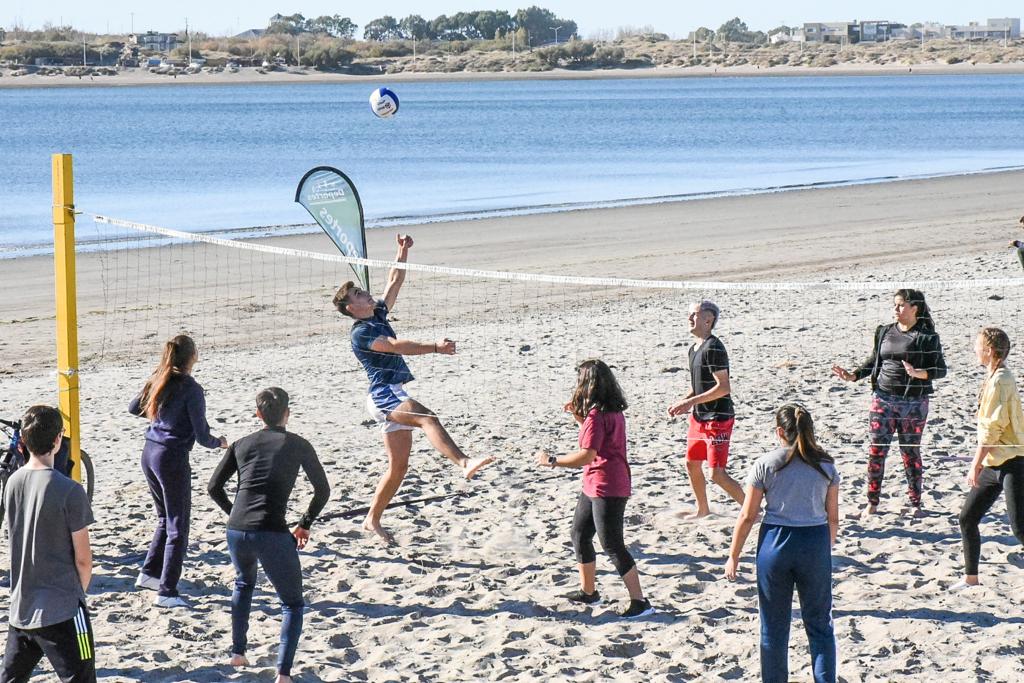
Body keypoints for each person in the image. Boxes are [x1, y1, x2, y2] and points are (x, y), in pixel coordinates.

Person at [332, 234, 492, 544]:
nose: (366, 294)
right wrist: (435, 347)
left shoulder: (376, 313)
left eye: (362, 291)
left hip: (391, 393)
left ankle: (371, 519)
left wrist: (401, 251)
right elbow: (394, 346)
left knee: (398, 468)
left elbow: (393, 282)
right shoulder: (361, 333)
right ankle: (464, 462)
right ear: (351, 308)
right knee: (427, 418)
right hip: (384, 394)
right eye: (359, 294)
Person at [208, 387, 330, 683]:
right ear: (287, 413)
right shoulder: (298, 444)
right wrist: (305, 523)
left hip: (236, 531)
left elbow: (214, 488)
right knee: (292, 604)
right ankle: (284, 674)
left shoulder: (240, 443)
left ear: (258, 414)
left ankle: (238, 653)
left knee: (243, 583)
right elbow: (322, 490)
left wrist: (236, 514)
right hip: (272, 532)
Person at [725, 404, 840, 683]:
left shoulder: (766, 464)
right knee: (820, 627)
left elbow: (748, 515)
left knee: (773, 629)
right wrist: (823, 548)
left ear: (780, 431)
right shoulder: (826, 465)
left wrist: (733, 555)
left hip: (775, 544)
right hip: (814, 542)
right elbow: (833, 519)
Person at [535, 359, 654, 619]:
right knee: (579, 534)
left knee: (612, 545)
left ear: (587, 385)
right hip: (597, 484)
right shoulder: (610, 412)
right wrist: (579, 420)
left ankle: (640, 602)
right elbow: (596, 442)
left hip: (607, 486)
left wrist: (552, 461)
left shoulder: (597, 414)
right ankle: (589, 592)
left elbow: (587, 455)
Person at [129, 334, 227, 607]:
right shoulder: (191, 388)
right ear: (192, 356)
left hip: (149, 451)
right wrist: (218, 443)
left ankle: (149, 573)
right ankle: (167, 591)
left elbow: (133, 408)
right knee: (178, 525)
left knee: (164, 518)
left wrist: (159, 417)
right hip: (170, 457)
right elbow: (201, 434)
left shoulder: (158, 377)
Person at [832, 288, 946, 515]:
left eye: (901, 305)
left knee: (910, 452)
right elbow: (874, 360)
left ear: (914, 308)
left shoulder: (927, 337)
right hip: (882, 399)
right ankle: (872, 503)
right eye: (895, 304)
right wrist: (853, 375)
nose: (896, 309)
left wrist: (918, 373)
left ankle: (915, 503)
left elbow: (940, 369)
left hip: (913, 402)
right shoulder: (884, 331)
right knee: (876, 451)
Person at [1, 406, 95, 682]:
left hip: (22, 607)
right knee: (83, 676)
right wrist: (78, 594)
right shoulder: (69, 490)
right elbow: (83, 559)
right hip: (63, 609)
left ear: (23, 443)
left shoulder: (12, 482)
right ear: (57, 440)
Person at [953, 327, 1024, 591]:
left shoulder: (1001, 379)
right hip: (995, 462)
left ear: (990, 351)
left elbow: (993, 429)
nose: (975, 349)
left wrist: (975, 463)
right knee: (967, 518)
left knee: (1019, 529)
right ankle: (971, 579)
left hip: (1013, 462)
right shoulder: (993, 375)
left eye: (978, 345)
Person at [668, 300, 744, 518]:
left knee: (717, 474)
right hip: (699, 417)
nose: (690, 318)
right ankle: (703, 509)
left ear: (708, 320)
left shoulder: (714, 347)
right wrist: (682, 401)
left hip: (718, 418)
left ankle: (753, 510)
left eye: (695, 314)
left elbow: (723, 387)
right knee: (691, 465)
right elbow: (699, 386)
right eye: (690, 314)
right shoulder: (693, 349)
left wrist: (690, 403)